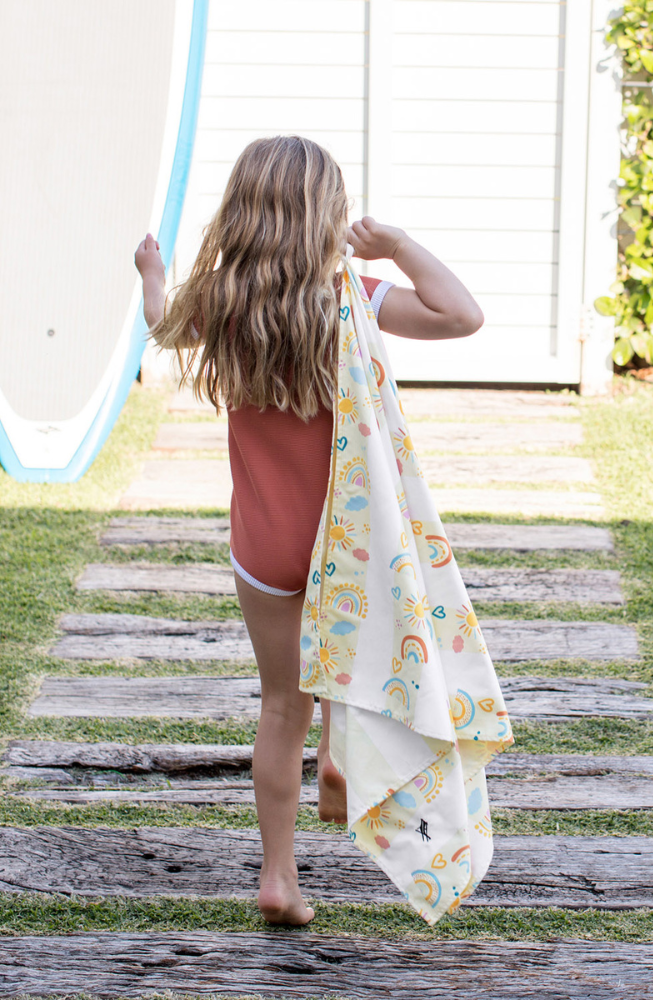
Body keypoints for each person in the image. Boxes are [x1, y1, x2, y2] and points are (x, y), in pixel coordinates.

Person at [134, 135, 485, 926]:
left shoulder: (219, 302)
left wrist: (153, 276)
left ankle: (281, 877)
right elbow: (462, 315)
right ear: (328, 212)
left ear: (243, 212)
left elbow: (161, 328)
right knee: (344, 658)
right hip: (347, 540)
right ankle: (337, 761)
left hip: (264, 546)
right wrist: (397, 247)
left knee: (279, 704)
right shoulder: (352, 299)